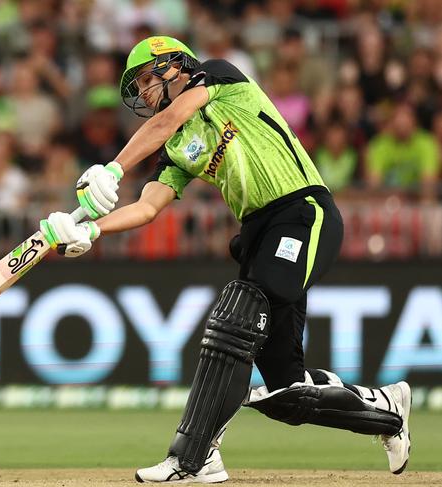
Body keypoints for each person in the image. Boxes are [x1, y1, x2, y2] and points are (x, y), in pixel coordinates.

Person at [39, 36, 412, 483]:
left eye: (143, 79)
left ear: (171, 65)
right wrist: (91, 230)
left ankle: (195, 456)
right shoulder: (178, 145)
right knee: (287, 391)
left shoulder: (219, 76)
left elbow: (173, 115)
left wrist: (112, 167)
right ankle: (388, 409)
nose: (141, 93)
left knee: (238, 314)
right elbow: (147, 207)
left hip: (301, 211)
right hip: (258, 233)